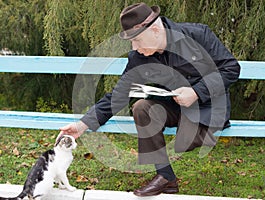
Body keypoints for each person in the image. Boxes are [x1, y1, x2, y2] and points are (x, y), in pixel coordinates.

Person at [57, 2, 240, 197]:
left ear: (154, 30)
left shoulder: (198, 34)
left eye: (137, 40)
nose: (134, 47)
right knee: (142, 107)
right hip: (171, 108)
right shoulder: (139, 57)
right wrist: (82, 125)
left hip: (206, 108)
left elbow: (230, 69)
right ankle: (166, 177)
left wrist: (196, 92)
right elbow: (118, 95)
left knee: (188, 140)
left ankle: (184, 144)